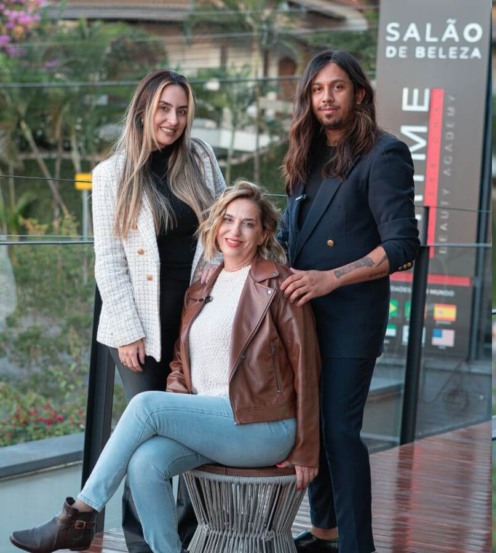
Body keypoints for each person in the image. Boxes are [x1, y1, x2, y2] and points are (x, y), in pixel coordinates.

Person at [10, 180, 321, 553]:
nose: (234, 231)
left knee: (146, 405)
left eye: (248, 223)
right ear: (215, 225)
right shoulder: (203, 284)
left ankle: (78, 514)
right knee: (145, 463)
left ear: (264, 232)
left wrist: (307, 447)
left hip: (263, 426)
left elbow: (307, 367)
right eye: (227, 219)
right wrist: (178, 413)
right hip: (214, 423)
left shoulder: (280, 285)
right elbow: (179, 362)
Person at [277, 49, 419, 553]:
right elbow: (288, 236)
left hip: (350, 320)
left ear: (359, 93)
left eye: (336, 87)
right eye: (317, 90)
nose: (326, 98)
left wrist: (330, 279)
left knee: (339, 432)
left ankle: (358, 545)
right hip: (301, 318)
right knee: (311, 430)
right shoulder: (304, 156)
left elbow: (403, 246)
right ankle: (324, 533)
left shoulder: (384, 154)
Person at [89, 69, 226, 551]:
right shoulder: (111, 174)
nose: (173, 119)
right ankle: (142, 543)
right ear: (144, 109)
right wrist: (127, 330)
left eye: (182, 110)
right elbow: (107, 258)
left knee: (188, 439)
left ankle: (187, 539)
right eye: (165, 108)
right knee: (145, 442)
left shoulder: (201, 159)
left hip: (197, 324)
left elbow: (223, 231)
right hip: (141, 329)